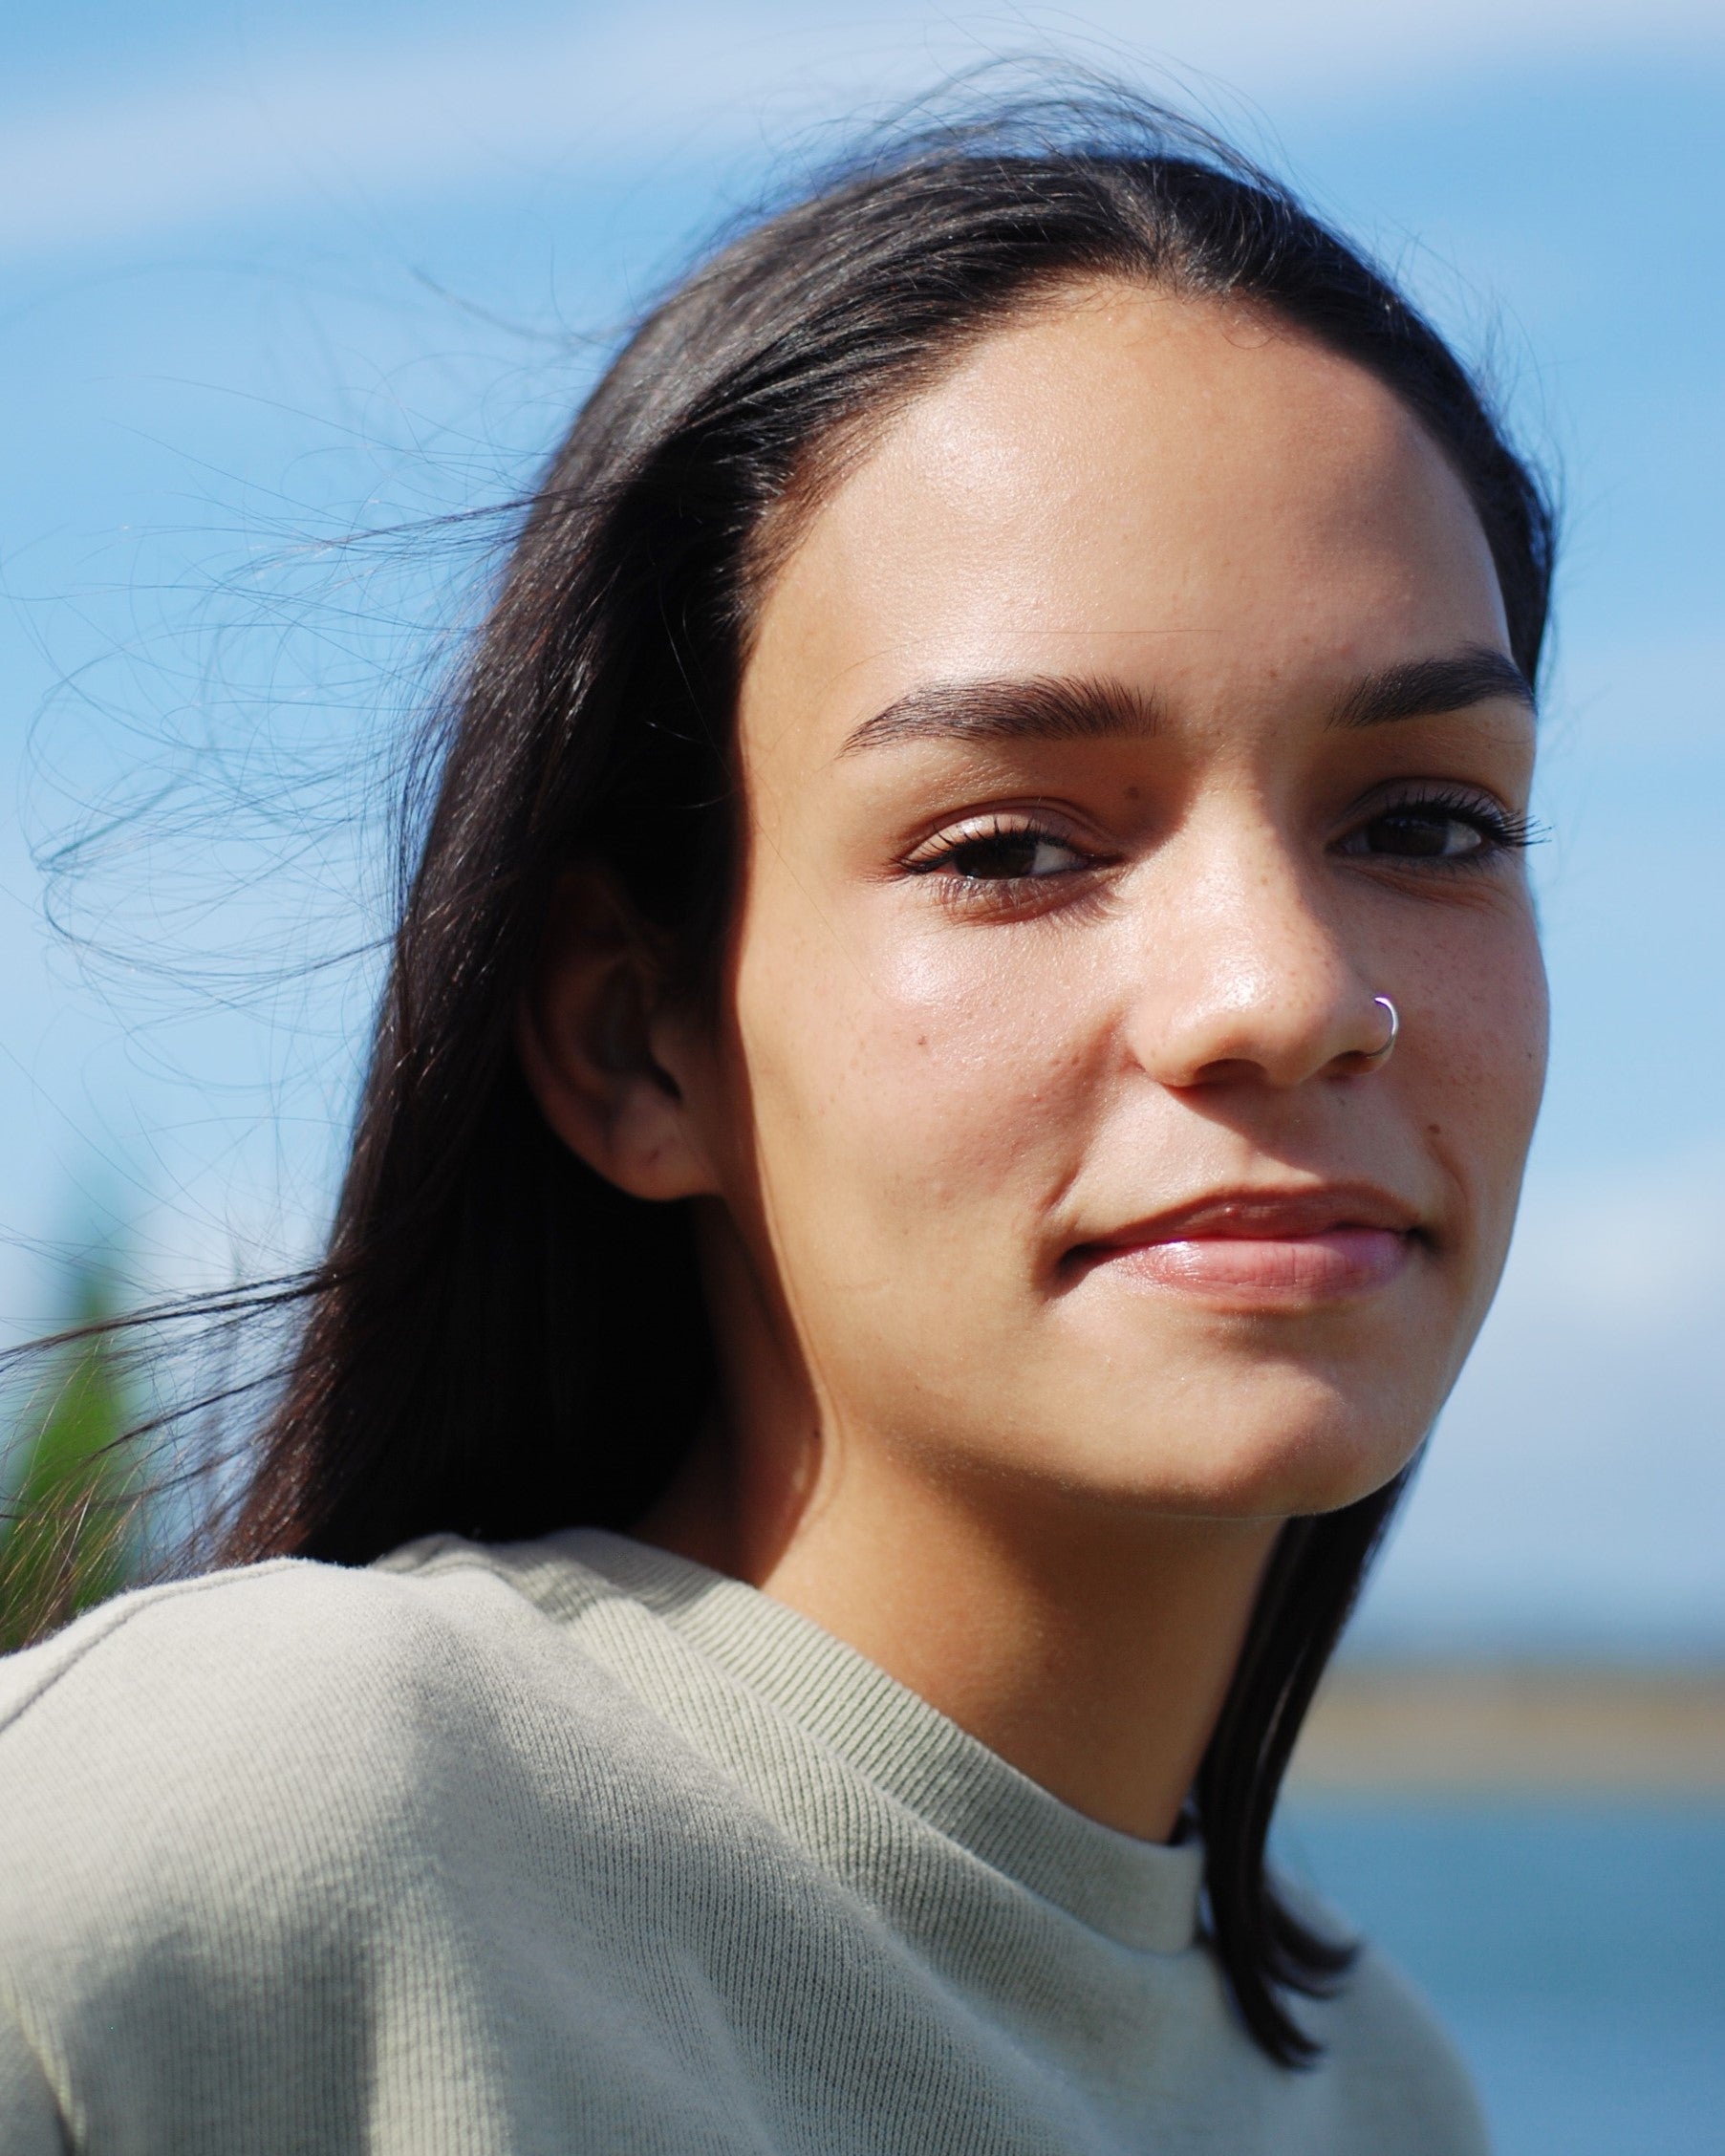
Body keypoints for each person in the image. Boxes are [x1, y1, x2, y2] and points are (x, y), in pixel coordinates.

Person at [0, 95, 1551, 2153]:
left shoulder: (1380, 2095)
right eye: (1010, 845)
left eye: (1428, 821)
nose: (1280, 990)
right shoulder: (253, 1812)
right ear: (638, 1043)